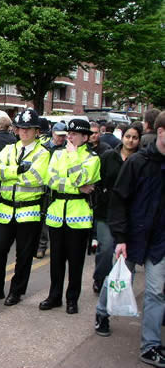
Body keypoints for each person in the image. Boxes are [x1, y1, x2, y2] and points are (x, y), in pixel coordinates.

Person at [94, 112, 164, 367]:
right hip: (133, 235)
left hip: (159, 239)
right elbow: (119, 200)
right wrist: (121, 237)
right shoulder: (138, 163)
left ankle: (151, 345)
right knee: (119, 279)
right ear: (160, 131)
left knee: (156, 291)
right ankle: (102, 313)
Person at [0, 109, 50, 305]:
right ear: (16, 130)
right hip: (5, 210)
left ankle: (16, 292)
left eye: (29, 129)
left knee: (24, 254)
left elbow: (36, 177)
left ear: (37, 131)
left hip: (29, 210)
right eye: (21, 128)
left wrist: (10, 172)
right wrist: (18, 170)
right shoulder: (9, 149)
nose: (25, 132)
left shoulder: (43, 153)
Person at [39, 119, 100, 314]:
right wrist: (77, 186)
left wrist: (74, 159)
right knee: (56, 260)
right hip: (57, 213)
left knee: (75, 261)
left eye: (74, 134)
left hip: (79, 215)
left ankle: (72, 298)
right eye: (68, 134)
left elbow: (82, 179)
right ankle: (54, 296)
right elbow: (51, 180)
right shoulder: (57, 154)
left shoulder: (92, 158)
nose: (69, 137)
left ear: (84, 137)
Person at [92, 124, 142, 294]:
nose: (130, 140)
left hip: (130, 214)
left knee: (125, 254)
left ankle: (120, 288)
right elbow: (99, 179)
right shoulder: (108, 156)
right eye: (128, 136)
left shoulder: (141, 160)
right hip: (106, 212)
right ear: (122, 137)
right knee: (105, 250)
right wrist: (102, 195)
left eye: (135, 137)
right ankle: (100, 279)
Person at [36, 121, 68, 259]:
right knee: (42, 218)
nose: (61, 138)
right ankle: (41, 246)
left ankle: (58, 246)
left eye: (64, 136)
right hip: (43, 188)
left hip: (58, 189)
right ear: (53, 133)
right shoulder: (43, 147)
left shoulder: (67, 150)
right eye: (59, 135)